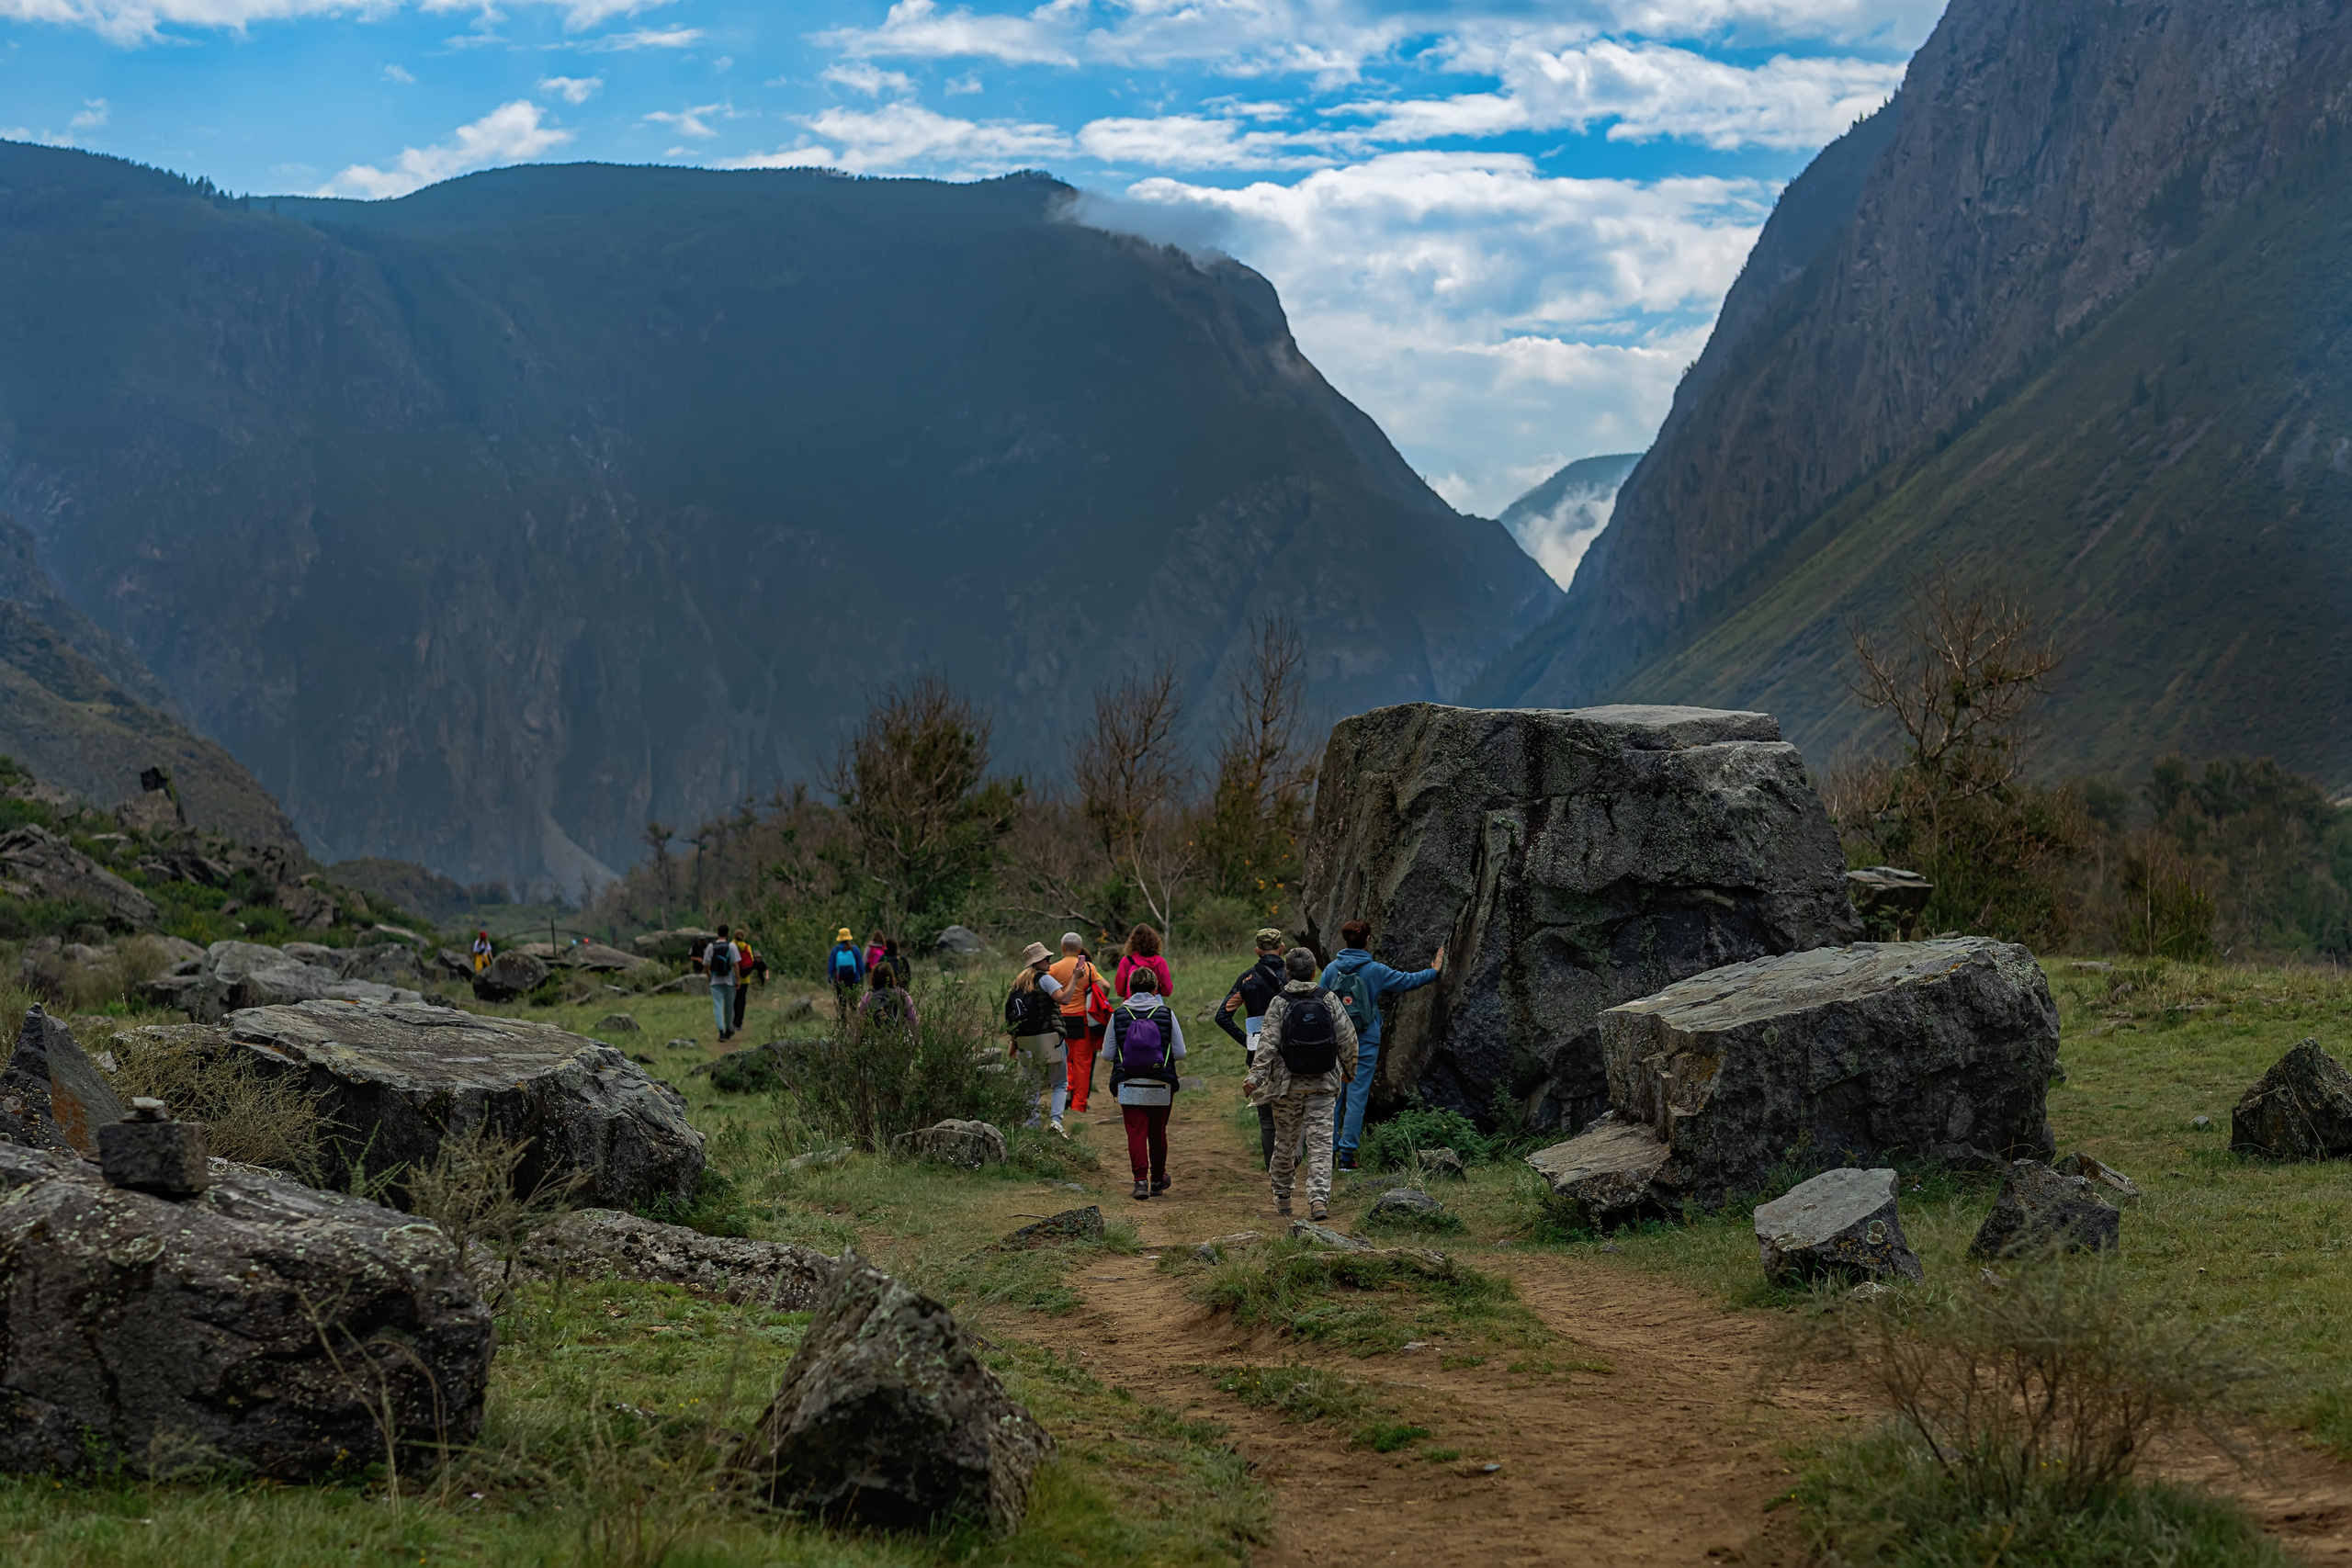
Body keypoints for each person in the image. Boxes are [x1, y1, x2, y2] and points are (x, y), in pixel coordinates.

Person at [1322, 920, 1445, 1170]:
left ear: (1345, 940)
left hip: (1335, 1040)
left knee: (1333, 1097)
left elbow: (1320, 1002)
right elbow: (1407, 981)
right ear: (1368, 940)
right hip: (1365, 1040)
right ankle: (1347, 1158)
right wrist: (1433, 971)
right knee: (1356, 1097)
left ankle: (1326, 1155)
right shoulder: (1374, 970)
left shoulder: (1331, 970)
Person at [1248, 947, 1358, 1221]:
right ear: (1314, 971)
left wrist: (1255, 1077)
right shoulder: (1329, 999)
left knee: (1285, 1141)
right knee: (1320, 1143)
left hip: (1288, 1086)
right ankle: (1318, 1200)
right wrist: (1349, 1070)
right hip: (1323, 1082)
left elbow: (1268, 1044)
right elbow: (1348, 1039)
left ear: (1287, 972)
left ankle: (1283, 1196)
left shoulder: (1279, 1002)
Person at [1106, 966, 1185, 1201]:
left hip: (1128, 1080)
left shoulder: (1118, 1015)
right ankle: (1158, 1179)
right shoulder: (1165, 1013)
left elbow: (1107, 1054)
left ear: (1130, 988)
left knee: (1135, 1132)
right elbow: (1180, 1052)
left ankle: (1139, 1181)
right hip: (1161, 1081)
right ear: (1155, 988)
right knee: (1157, 1132)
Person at [1216, 928, 1292, 1168]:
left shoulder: (1247, 979)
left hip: (1260, 1056)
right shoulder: (1295, 974)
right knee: (1294, 1114)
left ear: (1257, 951)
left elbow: (1222, 1016)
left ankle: (1273, 1168)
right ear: (1282, 948)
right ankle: (1292, 1163)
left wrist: (1248, 1040)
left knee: (1267, 1120)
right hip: (1294, 1053)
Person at [1004, 941, 1069, 1134]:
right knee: (1060, 1083)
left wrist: (1013, 1044)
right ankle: (1056, 1122)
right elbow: (1064, 999)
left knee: (1031, 1086)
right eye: (1046, 958)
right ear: (1038, 962)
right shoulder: (1046, 980)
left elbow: (1017, 1016)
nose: (1050, 961)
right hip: (1050, 1039)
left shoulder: (1017, 984)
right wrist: (1075, 977)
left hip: (1025, 1041)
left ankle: (1033, 1125)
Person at [1048, 933, 1110, 1118]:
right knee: (1083, 1063)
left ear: (1062, 948)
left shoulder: (1053, 968)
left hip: (1059, 1021)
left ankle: (1064, 1095)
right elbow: (1105, 985)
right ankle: (1079, 1105)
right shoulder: (1088, 967)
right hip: (1082, 1021)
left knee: (1064, 1060)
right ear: (1080, 948)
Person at [1115, 923, 1173, 1004]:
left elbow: (1120, 991)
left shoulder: (1126, 961)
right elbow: (1167, 991)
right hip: (1155, 1004)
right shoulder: (1160, 962)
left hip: (1131, 1005)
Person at [703, 923, 741, 1042]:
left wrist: (709, 975)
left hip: (715, 981)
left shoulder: (711, 946)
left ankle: (721, 1032)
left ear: (717, 933)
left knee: (717, 1006)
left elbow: (706, 964)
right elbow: (736, 964)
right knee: (729, 1007)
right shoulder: (732, 946)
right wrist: (738, 980)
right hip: (729, 980)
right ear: (727, 933)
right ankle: (729, 1028)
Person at [859, 963, 919, 1029]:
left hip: (876, 1035)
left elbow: (860, 1020)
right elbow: (912, 1017)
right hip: (897, 1035)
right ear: (891, 976)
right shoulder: (901, 993)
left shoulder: (868, 996)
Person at [732, 934, 767, 1036]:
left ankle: (733, 1021)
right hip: (745, 979)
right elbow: (750, 962)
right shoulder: (747, 947)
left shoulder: (731, 945)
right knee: (742, 1000)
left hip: (734, 978)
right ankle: (739, 1023)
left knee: (734, 999)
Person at [826, 927, 865, 1013]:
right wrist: (862, 977)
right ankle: (854, 1022)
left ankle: (843, 1023)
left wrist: (830, 979)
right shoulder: (855, 949)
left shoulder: (835, 950)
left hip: (840, 981)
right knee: (853, 1004)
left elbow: (831, 966)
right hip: (853, 980)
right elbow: (860, 964)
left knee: (842, 1004)